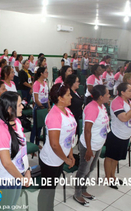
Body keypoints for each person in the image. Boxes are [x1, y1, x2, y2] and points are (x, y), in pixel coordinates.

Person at [38, 83, 76, 211]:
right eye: (68, 95)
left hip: (61, 157)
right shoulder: (54, 116)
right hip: (51, 160)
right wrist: (66, 159)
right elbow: (54, 144)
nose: (71, 97)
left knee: (52, 189)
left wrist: (70, 154)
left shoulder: (67, 111)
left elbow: (69, 136)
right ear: (60, 98)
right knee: (47, 191)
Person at [74, 85, 110, 206]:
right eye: (107, 94)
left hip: (97, 144)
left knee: (91, 169)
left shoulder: (102, 106)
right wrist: (89, 150)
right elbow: (87, 130)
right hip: (89, 145)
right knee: (83, 170)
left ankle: (84, 190)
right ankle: (77, 193)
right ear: (100, 97)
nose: (109, 96)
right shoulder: (92, 108)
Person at [0, 91, 31, 206]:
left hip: (18, 174)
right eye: (19, 105)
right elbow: (6, 163)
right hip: (7, 179)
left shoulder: (17, 122)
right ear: (10, 109)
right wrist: (22, 178)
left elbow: (22, 149)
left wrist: (27, 170)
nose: (22, 106)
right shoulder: (1, 131)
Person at [104, 83, 131, 189]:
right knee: (110, 157)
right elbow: (124, 118)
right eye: (130, 90)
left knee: (116, 158)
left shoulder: (129, 101)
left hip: (125, 134)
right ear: (122, 92)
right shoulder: (116, 102)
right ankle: (107, 178)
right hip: (116, 133)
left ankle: (113, 176)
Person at [31, 67, 50, 144]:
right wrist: (42, 108)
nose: (47, 73)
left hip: (45, 105)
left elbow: (47, 96)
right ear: (41, 73)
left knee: (42, 126)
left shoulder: (45, 83)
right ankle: (32, 142)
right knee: (36, 127)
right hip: (39, 107)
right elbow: (36, 99)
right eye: (45, 72)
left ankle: (38, 143)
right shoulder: (36, 83)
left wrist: (48, 106)